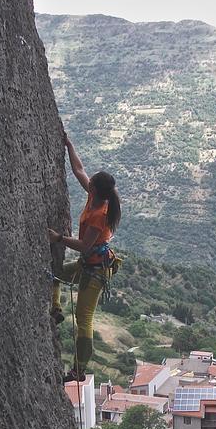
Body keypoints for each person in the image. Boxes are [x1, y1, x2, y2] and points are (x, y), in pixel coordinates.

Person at [48, 131, 122, 383]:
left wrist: (58, 238)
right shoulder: (95, 196)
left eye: (90, 182)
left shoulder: (99, 215)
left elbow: (83, 246)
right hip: (89, 264)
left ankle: (78, 370)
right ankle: (55, 309)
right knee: (55, 274)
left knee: (84, 317)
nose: (86, 182)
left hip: (96, 271)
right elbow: (79, 170)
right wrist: (69, 145)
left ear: (94, 189)